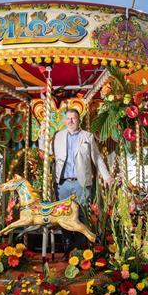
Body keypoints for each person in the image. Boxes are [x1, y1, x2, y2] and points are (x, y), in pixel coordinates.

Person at [52, 109, 114, 257]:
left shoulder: (87, 137)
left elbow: (97, 158)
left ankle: (81, 249)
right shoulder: (58, 136)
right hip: (62, 182)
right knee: (64, 216)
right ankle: (67, 248)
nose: (70, 121)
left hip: (81, 182)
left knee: (81, 215)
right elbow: (47, 153)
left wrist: (106, 176)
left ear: (79, 120)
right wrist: (42, 135)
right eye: (68, 118)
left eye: (73, 118)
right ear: (64, 120)